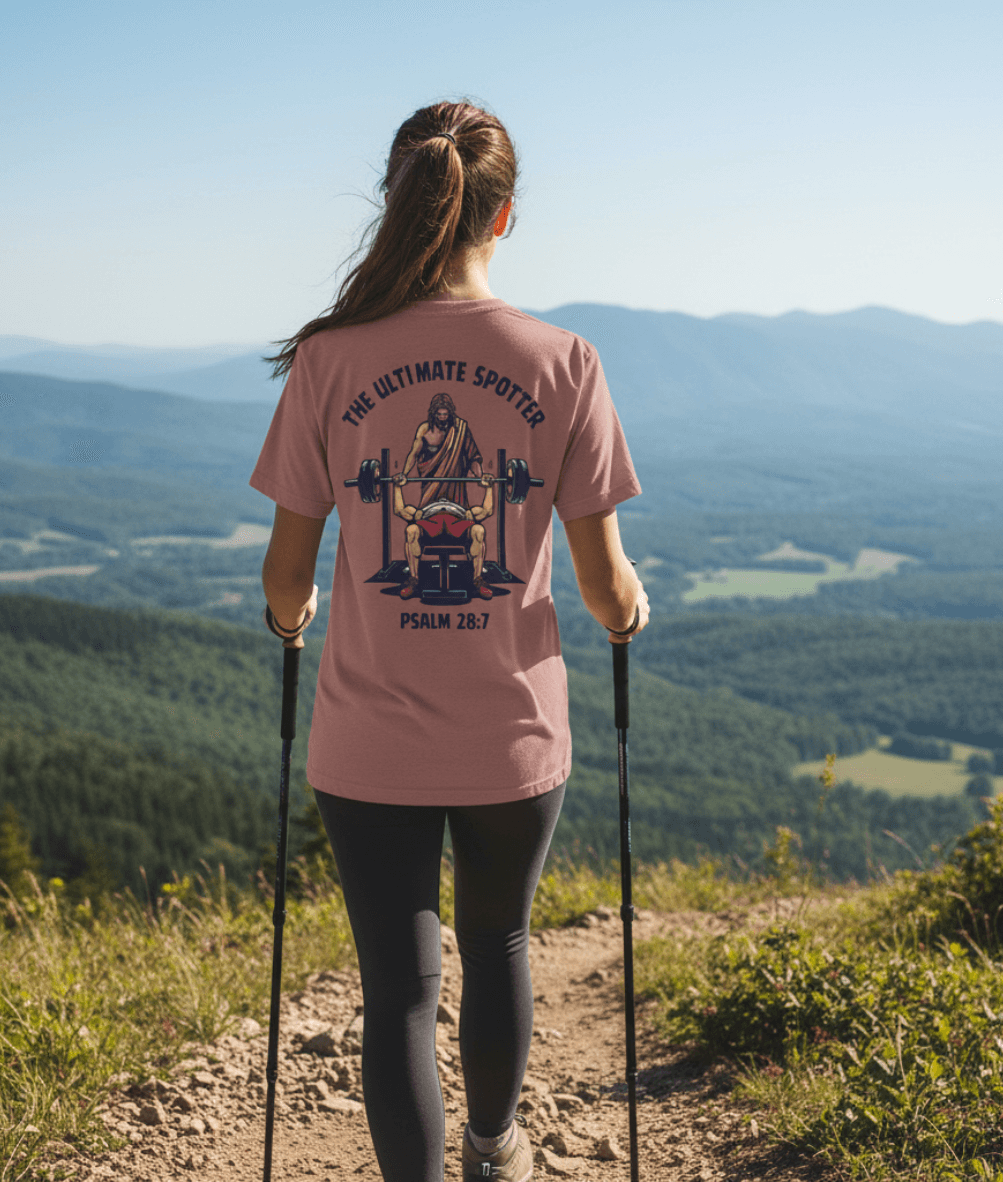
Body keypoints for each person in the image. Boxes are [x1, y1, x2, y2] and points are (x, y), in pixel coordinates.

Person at [249, 99, 649, 1182]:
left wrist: (297, 621)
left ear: (400, 202)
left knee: (399, 989)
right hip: (511, 738)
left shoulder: (330, 362)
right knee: (501, 944)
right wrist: (626, 612)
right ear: (504, 217)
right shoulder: (566, 362)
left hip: (367, 745)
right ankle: (493, 1148)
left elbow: (288, 579)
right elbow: (605, 587)